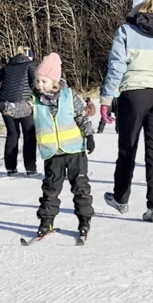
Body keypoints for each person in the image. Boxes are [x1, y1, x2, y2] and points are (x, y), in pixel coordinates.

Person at [99, 0, 153, 223]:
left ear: (135, 5)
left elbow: (116, 67)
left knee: (128, 148)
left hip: (134, 94)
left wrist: (106, 99)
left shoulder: (125, 30)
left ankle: (121, 198)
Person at [29, 53, 95, 243]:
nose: (39, 84)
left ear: (54, 81)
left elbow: (82, 117)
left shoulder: (69, 96)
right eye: (37, 81)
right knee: (50, 189)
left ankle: (84, 221)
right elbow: (22, 109)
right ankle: (46, 222)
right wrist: (3, 106)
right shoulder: (35, 100)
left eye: (43, 81)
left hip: (74, 151)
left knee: (80, 187)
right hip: (53, 154)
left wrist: (89, 135)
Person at [0, 45, 37, 176]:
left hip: (3, 102)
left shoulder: (8, 66)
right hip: (22, 104)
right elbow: (34, 83)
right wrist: (40, 95)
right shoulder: (30, 65)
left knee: (12, 134)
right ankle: (30, 168)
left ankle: (11, 168)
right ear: (29, 55)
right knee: (29, 135)